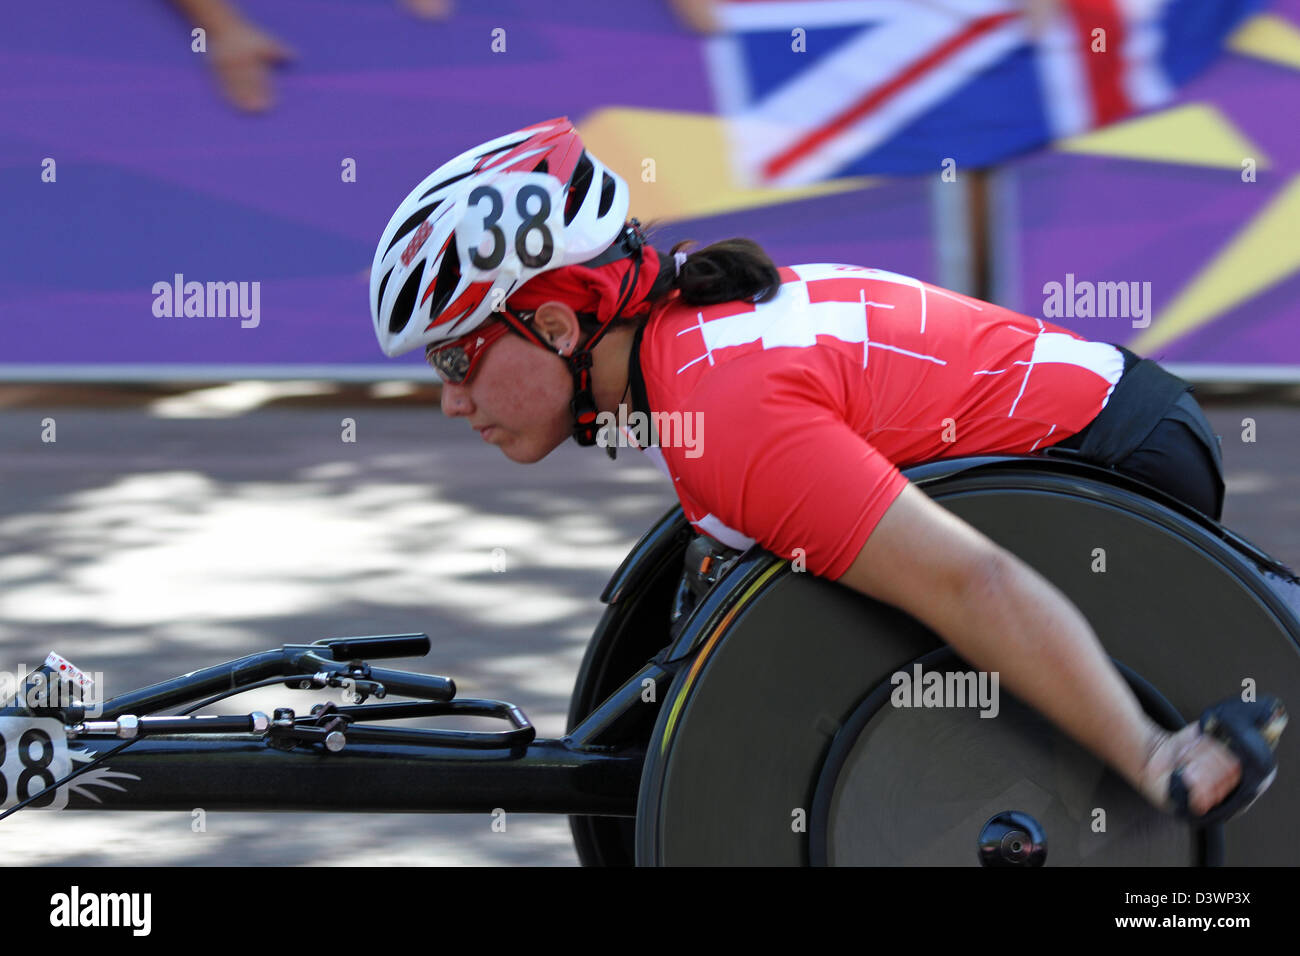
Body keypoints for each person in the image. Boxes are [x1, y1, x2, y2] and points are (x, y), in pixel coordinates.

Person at [369, 117, 1286, 828]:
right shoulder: (684, 355)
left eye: (457, 360)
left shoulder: (726, 418)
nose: (451, 400)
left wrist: (1157, 754)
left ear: (559, 328)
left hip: (1116, 462)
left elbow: (973, 581)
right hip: (1110, 414)